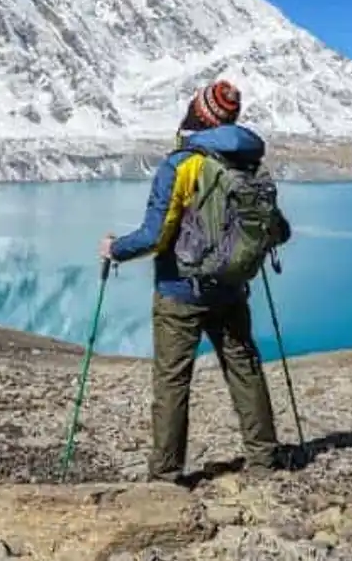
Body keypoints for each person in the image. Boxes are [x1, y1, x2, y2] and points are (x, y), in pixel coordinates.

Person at [99, 79, 292, 482]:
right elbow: (280, 230)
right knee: (245, 368)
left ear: (199, 115)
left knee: (172, 381)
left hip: (179, 291)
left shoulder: (182, 163)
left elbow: (156, 235)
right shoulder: (248, 163)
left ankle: (167, 476)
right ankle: (263, 460)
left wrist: (115, 249)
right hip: (232, 288)